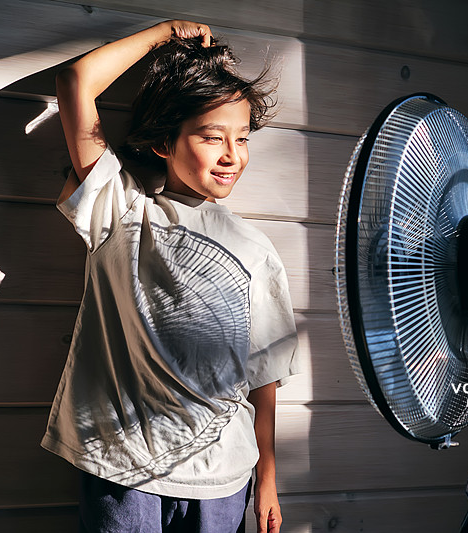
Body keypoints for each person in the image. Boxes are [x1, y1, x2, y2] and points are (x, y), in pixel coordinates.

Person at [41, 19, 300, 533]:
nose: (232, 156)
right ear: (164, 140)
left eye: (243, 138)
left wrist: (267, 475)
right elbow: (76, 82)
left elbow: (265, 374)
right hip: (124, 466)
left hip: (225, 475)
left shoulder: (255, 248)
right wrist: (163, 34)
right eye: (212, 137)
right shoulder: (121, 208)